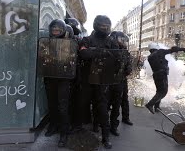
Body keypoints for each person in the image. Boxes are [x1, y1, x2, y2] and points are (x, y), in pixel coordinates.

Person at [79, 15, 119, 149]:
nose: (105, 28)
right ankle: (80, 132)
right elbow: (83, 54)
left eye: (107, 26)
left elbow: (118, 57)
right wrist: (100, 52)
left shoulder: (112, 41)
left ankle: (106, 137)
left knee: (103, 109)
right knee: (83, 105)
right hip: (88, 80)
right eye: (103, 26)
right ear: (97, 25)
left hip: (103, 80)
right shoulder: (87, 39)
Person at [43, 19, 73, 147]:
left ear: (63, 31)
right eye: (53, 29)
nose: (55, 31)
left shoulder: (71, 42)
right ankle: (53, 126)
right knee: (52, 103)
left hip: (63, 79)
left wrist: (68, 42)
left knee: (63, 106)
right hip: (50, 76)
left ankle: (64, 132)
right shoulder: (47, 42)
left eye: (58, 30)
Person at [145, 43, 185, 114]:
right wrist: (182, 49)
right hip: (162, 74)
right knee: (163, 92)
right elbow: (172, 50)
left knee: (159, 91)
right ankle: (150, 104)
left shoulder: (149, 57)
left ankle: (156, 107)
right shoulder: (160, 52)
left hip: (156, 75)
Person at [107, 31, 133, 136]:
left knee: (121, 101)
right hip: (108, 81)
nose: (124, 42)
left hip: (121, 80)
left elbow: (128, 66)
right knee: (106, 103)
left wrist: (128, 68)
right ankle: (102, 123)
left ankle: (115, 124)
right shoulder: (108, 49)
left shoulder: (125, 51)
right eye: (122, 40)